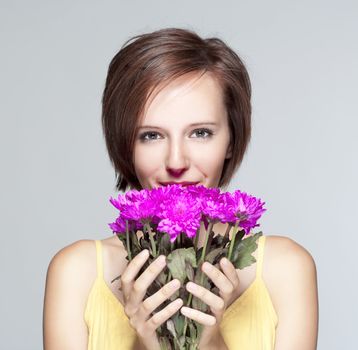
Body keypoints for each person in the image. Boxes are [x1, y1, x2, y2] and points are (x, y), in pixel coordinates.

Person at [43, 27, 318, 350]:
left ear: (231, 139)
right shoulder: (76, 274)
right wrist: (146, 343)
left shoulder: (285, 270)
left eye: (200, 133)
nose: (176, 161)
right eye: (151, 135)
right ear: (125, 143)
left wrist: (210, 342)